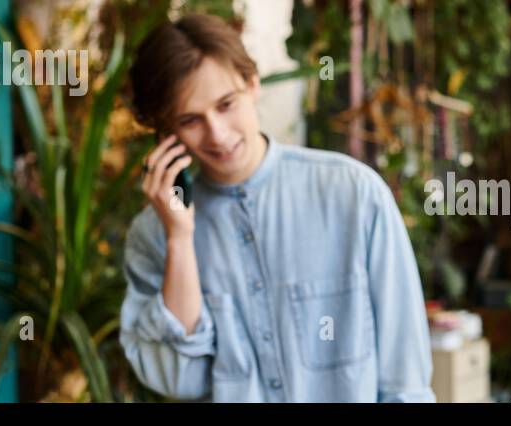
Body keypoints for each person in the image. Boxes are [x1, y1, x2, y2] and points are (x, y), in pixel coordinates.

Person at [119, 13, 433, 402]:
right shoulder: (154, 236)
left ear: (252, 84)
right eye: (190, 120)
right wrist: (180, 240)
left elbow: (406, 381)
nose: (218, 134)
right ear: (167, 132)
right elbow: (179, 380)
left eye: (226, 104)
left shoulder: (353, 195)